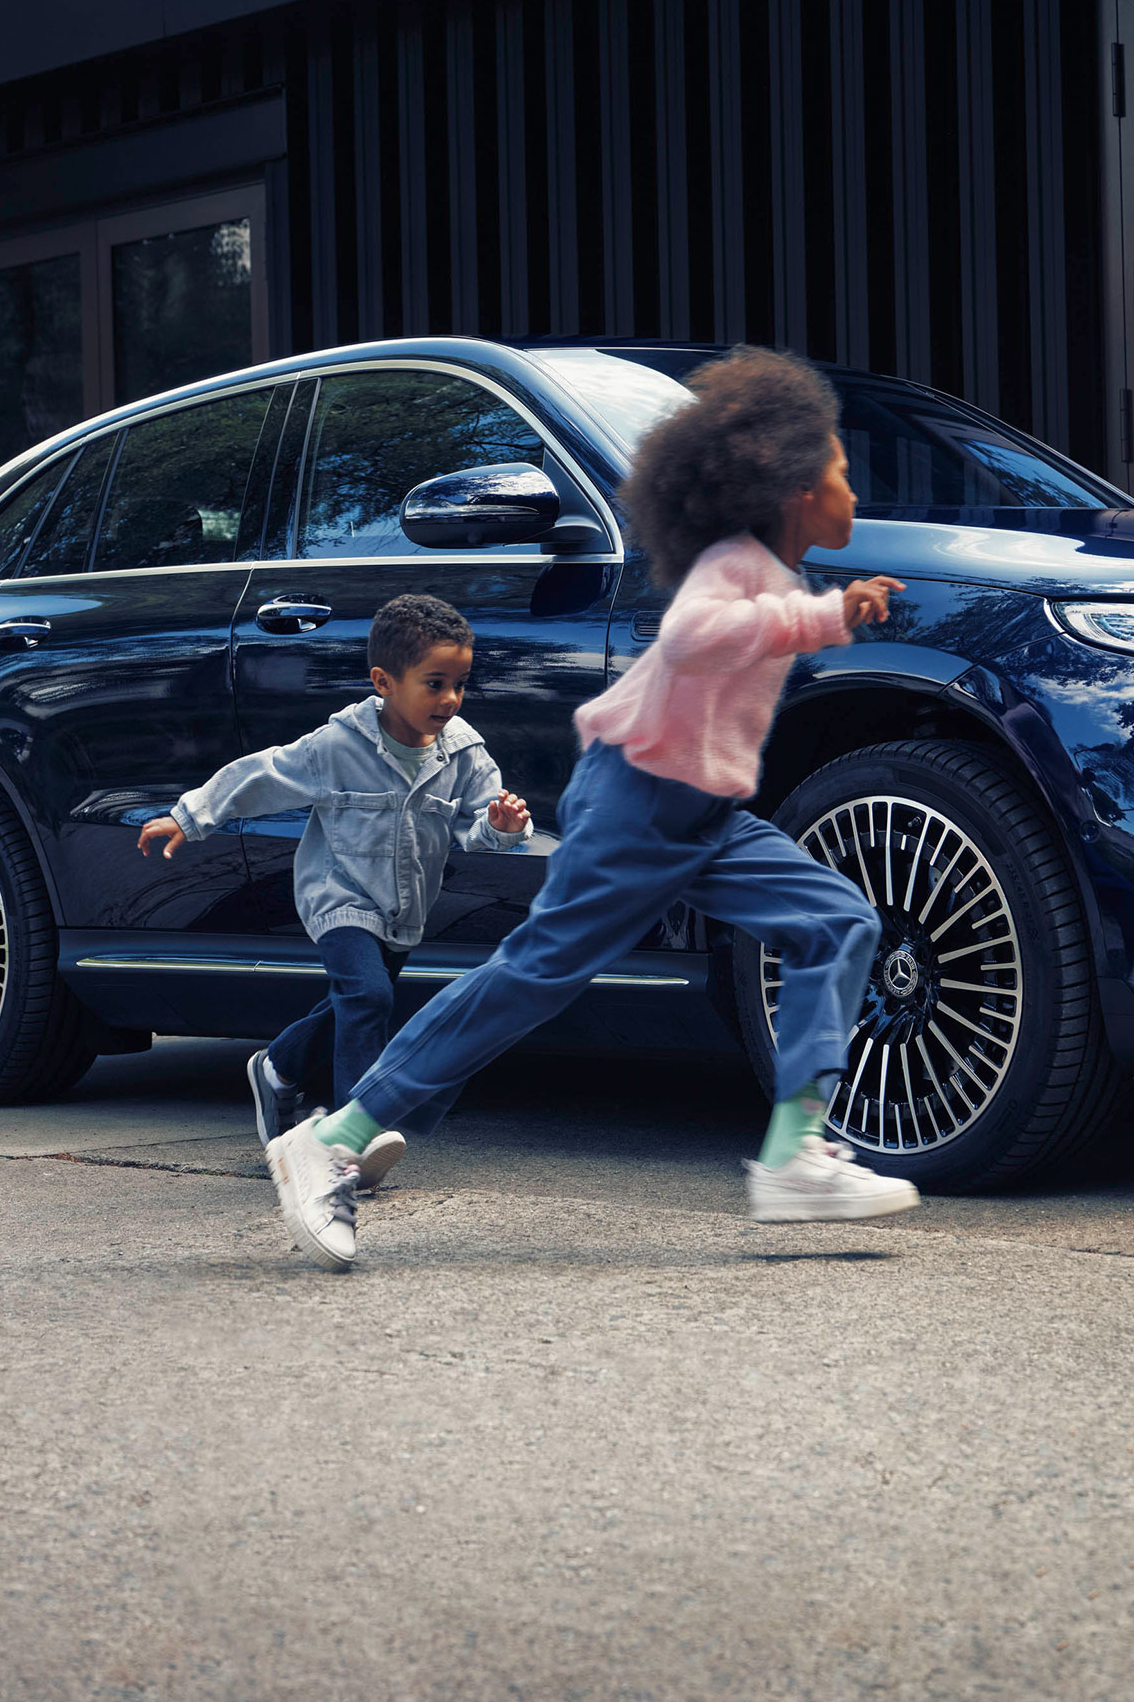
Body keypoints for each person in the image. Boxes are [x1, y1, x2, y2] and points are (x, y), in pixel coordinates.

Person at [264, 346, 920, 1269]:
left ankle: (793, 1157)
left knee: (837, 922)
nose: (855, 487)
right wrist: (827, 618)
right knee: (532, 978)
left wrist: (816, 609)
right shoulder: (736, 567)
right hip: (637, 805)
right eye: (843, 472)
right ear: (792, 487)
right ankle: (333, 1139)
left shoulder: (774, 577)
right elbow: (693, 638)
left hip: (705, 819)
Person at [137, 593, 530, 1192]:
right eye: (434, 683)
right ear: (384, 682)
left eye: (460, 683)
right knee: (368, 996)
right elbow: (263, 775)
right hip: (338, 894)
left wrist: (503, 827)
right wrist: (190, 817)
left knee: (353, 1004)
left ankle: (277, 1068)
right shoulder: (339, 745)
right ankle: (351, 1135)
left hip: (404, 907)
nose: (450, 699)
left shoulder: (464, 754)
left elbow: (477, 828)